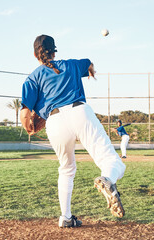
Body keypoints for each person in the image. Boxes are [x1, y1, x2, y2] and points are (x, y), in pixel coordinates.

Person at [20, 35, 126, 228]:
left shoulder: (33, 77)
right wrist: (91, 72)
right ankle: (108, 179)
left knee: (67, 169)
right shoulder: (71, 65)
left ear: (35, 54)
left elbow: (25, 115)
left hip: (54, 121)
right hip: (79, 112)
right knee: (111, 160)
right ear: (54, 51)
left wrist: (30, 127)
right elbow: (89, 64)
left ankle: (66, 217)